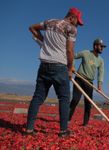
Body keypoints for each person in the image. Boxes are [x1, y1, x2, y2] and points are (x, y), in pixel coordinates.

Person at [26, 8, 83, 137]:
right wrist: (70, 68)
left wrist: (44, 42)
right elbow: (69, 51)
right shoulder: (71, 29)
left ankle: (29, 129)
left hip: (44, 65)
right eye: (77, 22)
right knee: (64, 98)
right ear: (72, 17)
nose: (77, 25)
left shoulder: (49, 22)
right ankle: (63, 131)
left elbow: (32, 28)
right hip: (59, 66)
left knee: (38, 97)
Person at [69, 38, 106, 126]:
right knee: (75, 100)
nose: (102, 48)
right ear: (95, 46)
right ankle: (67, 119)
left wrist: (99, 85)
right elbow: (73, 56)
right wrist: (72, 67)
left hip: (89, 83)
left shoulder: (101, 60)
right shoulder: (86, 53)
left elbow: (101, 73)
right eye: (101, 46)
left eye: (103, 47)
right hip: (79, 79)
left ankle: (85, 123)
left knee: (88, 103)